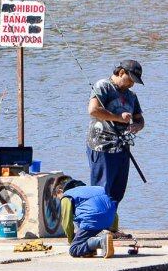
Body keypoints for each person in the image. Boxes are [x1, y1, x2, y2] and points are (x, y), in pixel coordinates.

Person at [86, 60, 145, 206]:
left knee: (118, 191)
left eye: (135, 81)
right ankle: (95, 224)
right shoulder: (103, 86)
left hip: (122, 147)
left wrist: (137, 126)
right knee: (101, 189)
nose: (132, 84)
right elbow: (93, 110)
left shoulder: (132, 95)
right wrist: (119, 117)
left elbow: (140, 119)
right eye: (130, 79)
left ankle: (111, 226)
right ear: (121, 73)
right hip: (102, 146)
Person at [55, 180, 117, 259]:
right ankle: (92, 246)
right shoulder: (97, 189)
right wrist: (114, 230)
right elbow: (113, 208)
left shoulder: (66, 196)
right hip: (109, 220)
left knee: (74, 249)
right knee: (88, 233)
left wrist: (72, 241)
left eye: (58, 198)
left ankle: (100, 242)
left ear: (60, 191)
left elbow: (67, 222)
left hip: (92, 220)